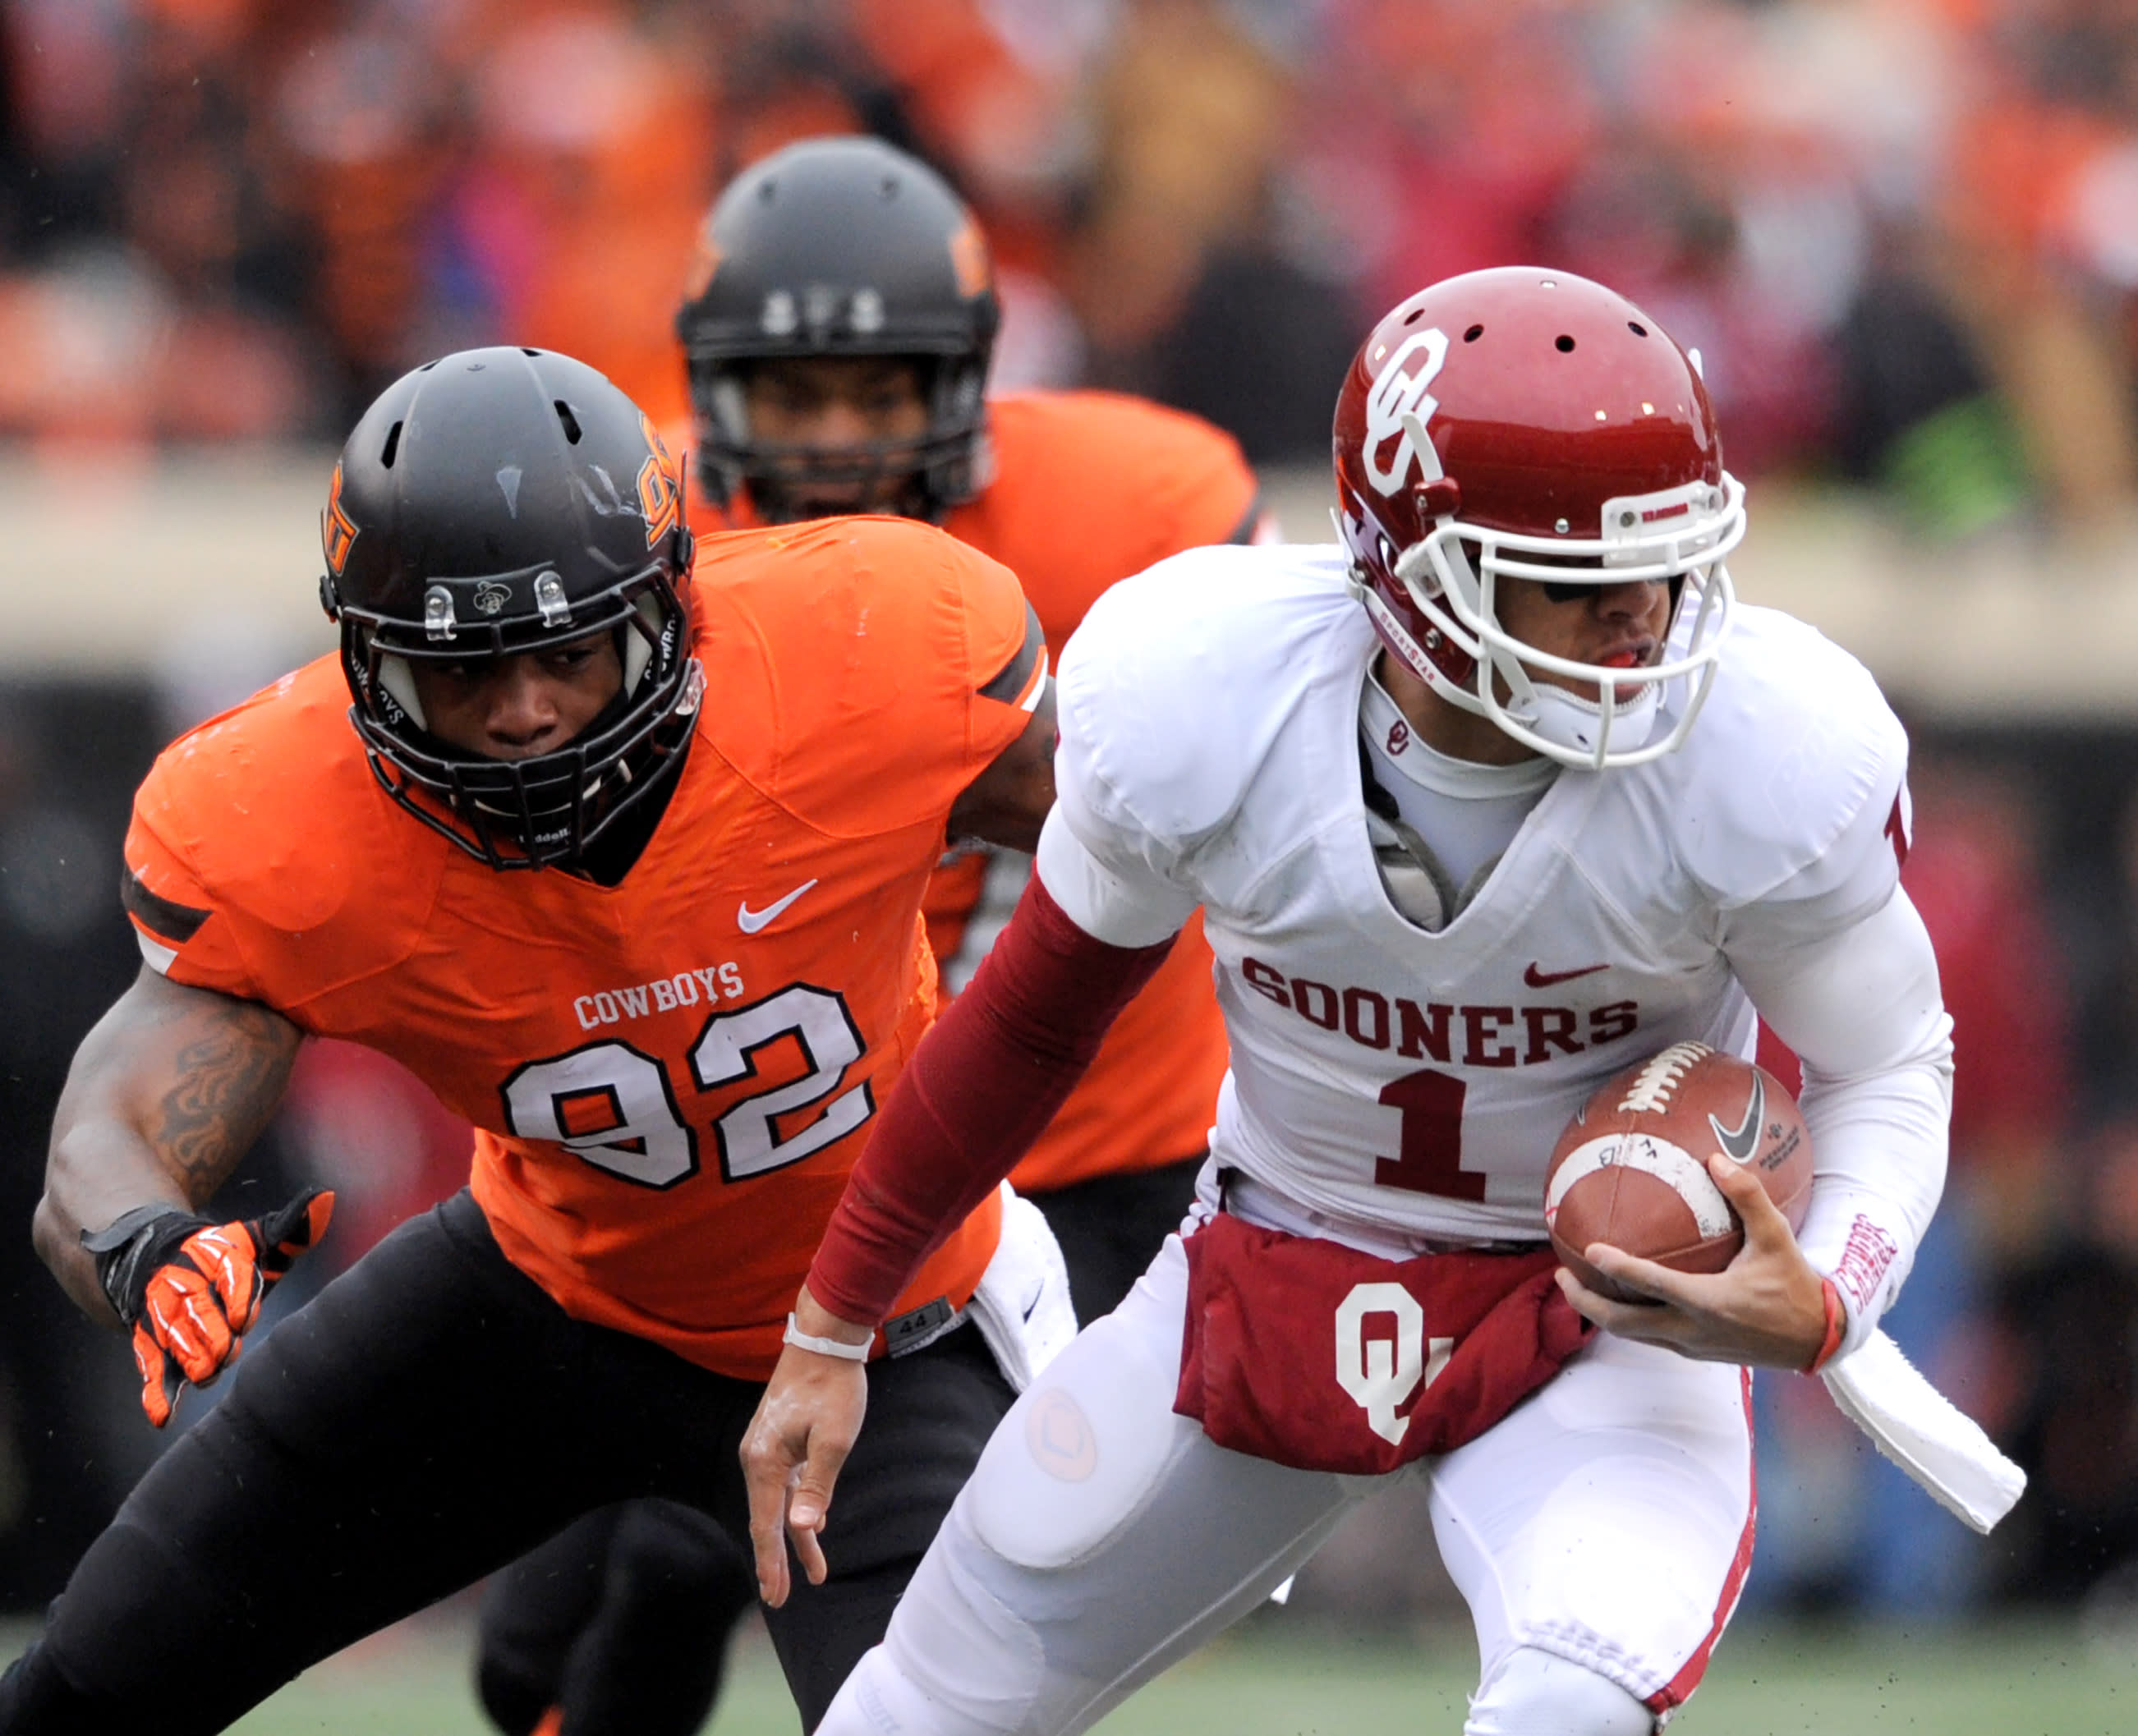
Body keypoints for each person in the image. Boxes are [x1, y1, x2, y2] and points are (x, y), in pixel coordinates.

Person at [742, 267, 1958, 1736]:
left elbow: (1888, 1060)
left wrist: (1825, 1288)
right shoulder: (1212, 695)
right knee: (912, 1714)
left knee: (1569, 1705)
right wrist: (833, 1318)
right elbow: (1026, 1023)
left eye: (1667, 570)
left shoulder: (1759, 746)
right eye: (1577, 587)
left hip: (1608, 1315)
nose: (1645, 629)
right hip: (1273, 1259)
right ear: (1411, 569)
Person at [0, 342, 1064, 1736]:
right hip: (546, 1297)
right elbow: (110, 1122)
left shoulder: (872, 652)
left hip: (880, 1332)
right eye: (465, 672)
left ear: (666, 610)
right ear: (370, 663)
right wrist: (143, 1242)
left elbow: (1142, 861)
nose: (521, 712)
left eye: (567, 649)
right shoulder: (292, 814)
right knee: (85, 1691)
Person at [475, 134, 1266, 1736]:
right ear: (713, 388)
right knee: (543, 1650)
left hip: (1088, 1157)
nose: (837, 438)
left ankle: (691, 1548)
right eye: (796, 393)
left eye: (880, 390)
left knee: (949, 1583)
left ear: (966, 380)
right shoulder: (641, 548)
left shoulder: (1134, 501)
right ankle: (670, 1555)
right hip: (793, 1142)